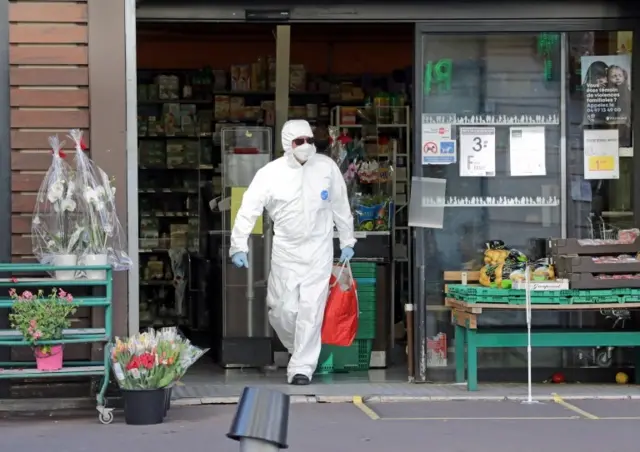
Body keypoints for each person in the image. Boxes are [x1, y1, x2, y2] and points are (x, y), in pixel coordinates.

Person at [229, 119, 356, 385]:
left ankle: (301, 368)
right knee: (282, 310)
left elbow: (340, 205)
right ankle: (298, 349)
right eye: (300, 142)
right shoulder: (270, 173)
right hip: (286, 251)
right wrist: (237, 244)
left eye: (310, 141)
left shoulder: (326, 168)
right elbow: (248, 208)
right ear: (288, 143)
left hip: (319, 249)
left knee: (311, 310)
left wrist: (347, 239)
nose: (307, 146)